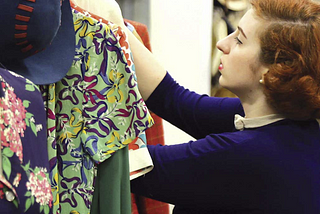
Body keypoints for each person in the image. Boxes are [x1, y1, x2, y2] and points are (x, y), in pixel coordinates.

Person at [96, 0, 320, 213]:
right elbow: (174, 99)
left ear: (274, 71)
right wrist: (111, 20)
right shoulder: (291, 123)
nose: (222, 43)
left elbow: (120, 165)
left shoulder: (250, 156)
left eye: (239, 40)